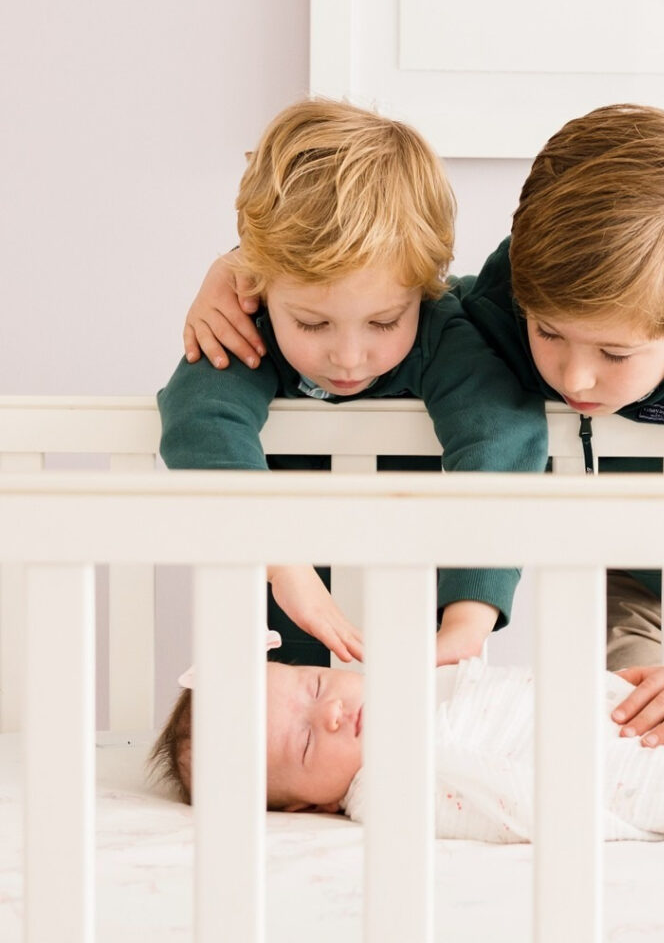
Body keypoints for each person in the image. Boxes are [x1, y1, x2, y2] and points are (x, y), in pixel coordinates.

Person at [173, 103, 664, 742]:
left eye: (615, 353)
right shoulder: (503, 301)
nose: (574, 377)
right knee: (638, 734)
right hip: (628, 577)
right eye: (548, 334)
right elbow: (407, 305)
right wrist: (241, 271)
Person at [158, 98, 549, 668]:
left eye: (384, 322)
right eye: (312, 323)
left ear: (425, 287)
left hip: (419, 608)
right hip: (284, 600)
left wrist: (468, 617)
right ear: (257, 285)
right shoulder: (247, 328)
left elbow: (502, 435)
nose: (347, 356)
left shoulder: (443, 332)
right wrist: (281, 563)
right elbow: (199, 418)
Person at [149, 653, 664, 842]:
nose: (337, 715)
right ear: (309, 804)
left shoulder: (422, 680)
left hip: (610, 715)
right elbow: (509, 803)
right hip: (622, 773)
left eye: (317, 689)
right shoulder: (385, 790)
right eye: (307, 747)